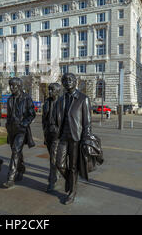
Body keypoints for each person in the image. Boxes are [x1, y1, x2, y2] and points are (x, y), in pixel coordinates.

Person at [55, 73, 93, 205]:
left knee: (73, 166)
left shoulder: (83, 99)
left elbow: (87, 122)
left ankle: (72, 191)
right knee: (59, 164)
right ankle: (70, 181)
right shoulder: (61, 99)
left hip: (76, 137)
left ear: (75, 82)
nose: (67, 82)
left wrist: (86, 138)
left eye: (70, 79)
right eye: (65, 80)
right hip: (63, 136)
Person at [4, 78, 36, 189]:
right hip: (12, 129)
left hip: (21, 129)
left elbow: (32, 114)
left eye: (14, 86)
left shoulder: (26, 98)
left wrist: (24, 123)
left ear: (19, 86)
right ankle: (21, 168)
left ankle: (10, 178)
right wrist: (7, 125)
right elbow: (9, 115)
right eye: (10, 85)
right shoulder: (9, 99)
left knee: (15, 150)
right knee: (17, 151)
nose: (12, 88)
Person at [42, 83, 61, 193]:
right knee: (53, 155)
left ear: (58, 91)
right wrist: (44, 134)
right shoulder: (47, 103)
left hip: (58, 134)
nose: (49, 92)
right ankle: (57, 172)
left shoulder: (62, 102)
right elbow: (44, 120)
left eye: (52, 90)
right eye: (49, 90)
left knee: (53, 157)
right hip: (48, 133)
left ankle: (52, 181)